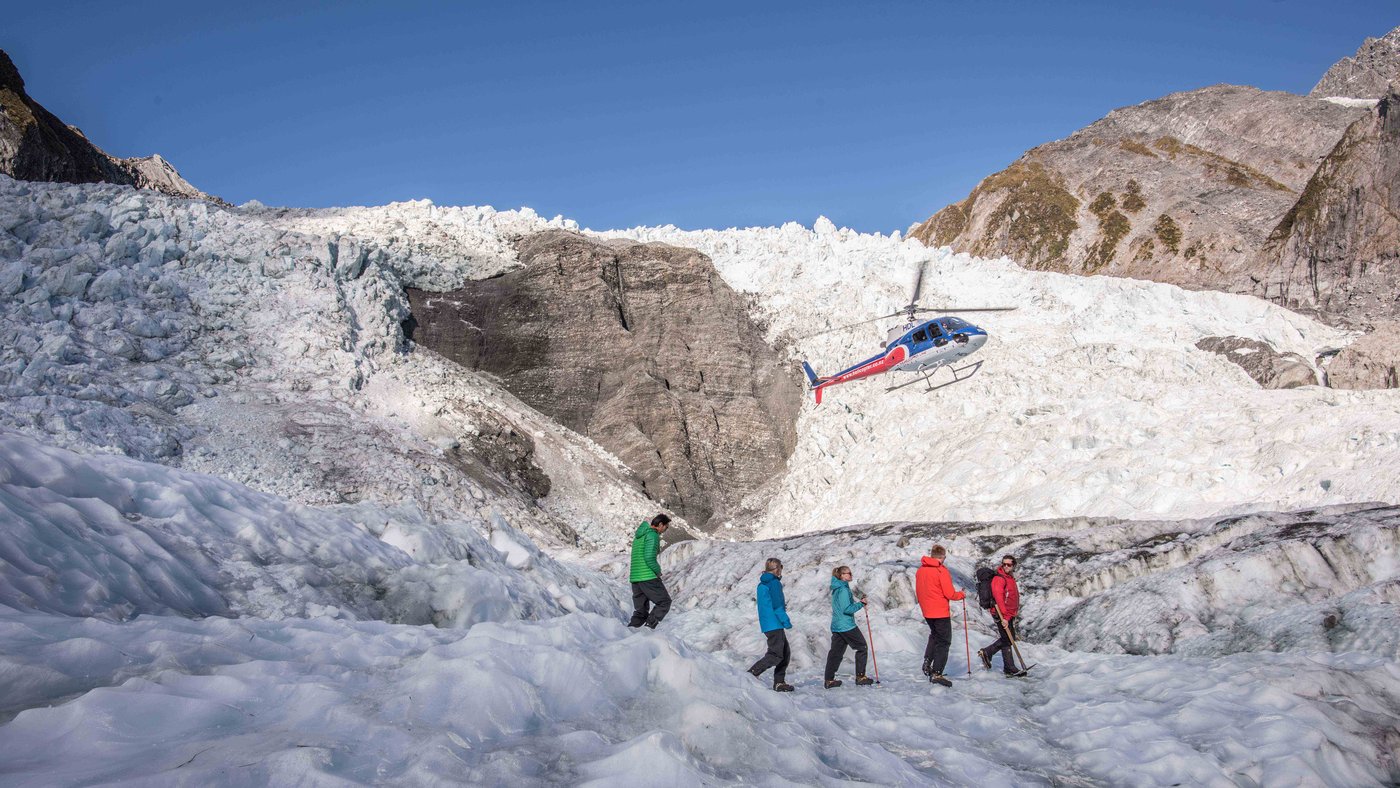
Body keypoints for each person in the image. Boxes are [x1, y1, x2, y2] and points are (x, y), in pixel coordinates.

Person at [916, 544, 966, 687]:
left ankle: (927, 661)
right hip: (940, 611)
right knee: (944, 641)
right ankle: (937, 673)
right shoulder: (940, 571)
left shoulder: (921, 570)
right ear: (942, 557)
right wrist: (961, 594)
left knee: (935, 636)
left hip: (927, 610)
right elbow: (949, 594)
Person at [823, 566, 876, 688]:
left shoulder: (838, 587)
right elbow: (847, 609)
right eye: (848, 573)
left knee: (835, 653)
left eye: (850, 573)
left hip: (837, 625)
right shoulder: (843, 589)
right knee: (862, 647)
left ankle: (829, 680)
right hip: (846, 625)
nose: (851, 575)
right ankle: (860, 677)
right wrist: (861, 604)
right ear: (841, 576)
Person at [747, 558, 794, 691]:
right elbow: (777, 606)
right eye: (781, 567)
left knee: (785, 652)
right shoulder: (774, 583)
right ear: (777, 569)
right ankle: (752, 673)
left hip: (769, 623)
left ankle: (779, 682)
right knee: (776, 654)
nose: (781, 571)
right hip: (775, 623)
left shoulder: (763, 583)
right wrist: (786, 621)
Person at [977, 554, 1022, 676]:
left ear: (1013, 565)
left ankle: (992, 656)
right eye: (1004, 564)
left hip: (1008, 614)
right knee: (1007, 639)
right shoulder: (999, 579)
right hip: (1001, 614)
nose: (1006, 566)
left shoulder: (1009, 577)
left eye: (1009, 564)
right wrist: (1005, 617)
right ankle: (1008, 666)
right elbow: (999, 599)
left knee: (1008, 638)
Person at [627, 514, 672, 629]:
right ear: (660, 524)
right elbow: (649, 557)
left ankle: (631, 631)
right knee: (664, 602)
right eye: (666, 527)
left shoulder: (639, 536)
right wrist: (657, 571)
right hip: (647, 576)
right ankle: (648, 629)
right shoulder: (652, 535)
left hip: (635, 578)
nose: (665, 530)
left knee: (640, 611)